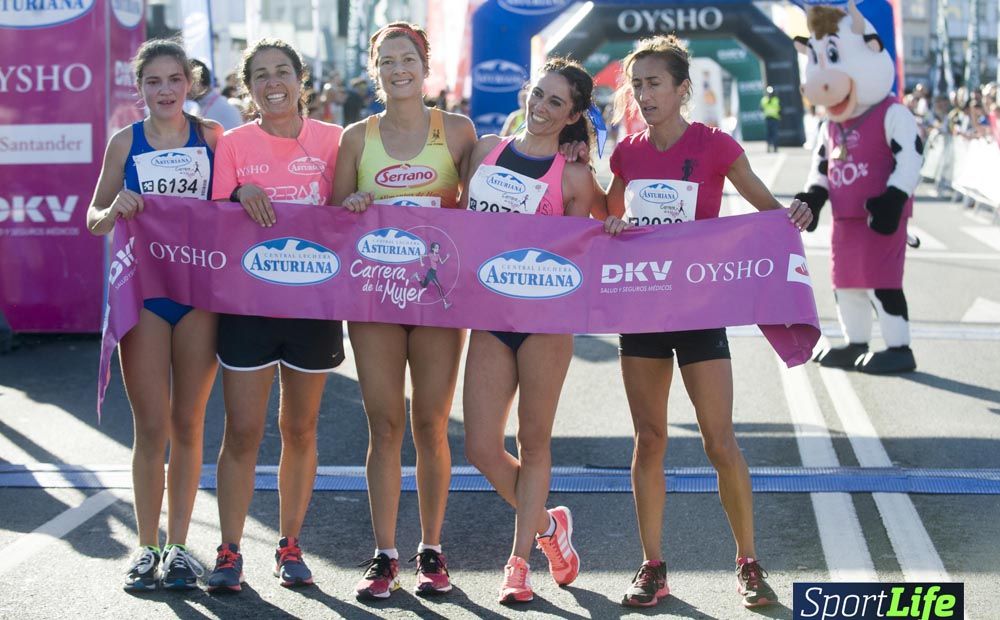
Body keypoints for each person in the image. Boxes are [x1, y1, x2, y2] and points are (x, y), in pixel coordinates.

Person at [596, 35, 812, 609]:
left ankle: (748, 561)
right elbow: (604, 220)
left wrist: (796, 210)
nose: (644, 94)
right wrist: (612, 224)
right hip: (642, 310)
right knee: (650, 440)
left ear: (683, 88)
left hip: (699, 313)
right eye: (636, 84)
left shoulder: (715, 146)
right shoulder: (628, 153)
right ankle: (652, 566)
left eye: (654, 83)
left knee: (720, 441)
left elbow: (769, 212)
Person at [332, 22, 477, 600]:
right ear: (375, 69)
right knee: (385, 423)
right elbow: (333, 217)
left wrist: (570, 146)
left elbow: (499, 192)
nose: (399, 69)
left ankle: (432, 550)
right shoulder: (354, 137)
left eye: (408, 58)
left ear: (425, 65)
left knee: (431, 425)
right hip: (374, 299)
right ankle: (385, 553)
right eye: (387, 60)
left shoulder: (460, 132)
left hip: (440, 297)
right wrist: (354, 203)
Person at [462, 57, 604, 605]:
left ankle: (519, 562)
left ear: (572, 115)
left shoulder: (573, 175)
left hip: (545, 320)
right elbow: (451, 219)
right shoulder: (487, 150)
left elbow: (587, 247)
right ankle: (549, 526)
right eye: (537, 95)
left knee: (533, 440)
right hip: (490, 316)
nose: (540, 109)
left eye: (555, 103)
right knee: (479, 446)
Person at [205, 38, 344, 592]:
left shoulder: (335, 141)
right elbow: (213, 214)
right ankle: (230, 550)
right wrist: (240, 188)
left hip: (315, 305)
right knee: (241, 432)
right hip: (248, 304)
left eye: (282, 71)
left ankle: (289, 545)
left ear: (300, 79)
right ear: (249, 87)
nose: (272, 82)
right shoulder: (233, 143)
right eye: (260, 75)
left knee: (300, 428)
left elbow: (362, 197)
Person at [87, 38, 222, 592]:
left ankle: (180, 548)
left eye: (174, 80)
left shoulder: (213, 137)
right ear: (139, 87)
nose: (165, 90)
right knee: (150, 426)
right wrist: (113, 207)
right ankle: (146, 547)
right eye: (153, 82)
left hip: (198, 293)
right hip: (142, 293)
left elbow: (236, 205)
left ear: (189, 83)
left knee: (189, 423)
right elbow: (94, 218)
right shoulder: (126, 141)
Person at [189, 58, 244, 130]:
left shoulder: (225, 110)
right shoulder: (196, 107)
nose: (183, 87)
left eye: (188, 81)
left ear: (198, 81)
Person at [760, 85, 781, 152]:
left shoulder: (776, 100)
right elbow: (761, 108)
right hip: (767, 119)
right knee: (768, 134)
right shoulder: (764, 100)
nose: (770, 94)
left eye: (770, 93)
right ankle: (768, 147)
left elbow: (780, 109)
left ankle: (775, 147)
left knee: (775, 134)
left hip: (775, 119)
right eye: (768, 93)